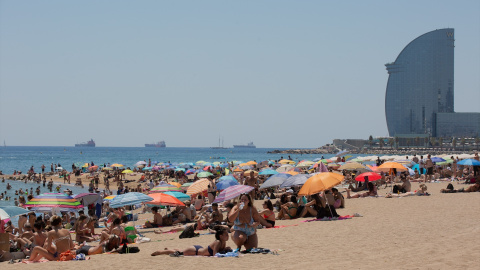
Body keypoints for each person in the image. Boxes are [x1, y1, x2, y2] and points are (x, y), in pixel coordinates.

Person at [151, 228, 231, 257]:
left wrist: (226, 249)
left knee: (182, 250)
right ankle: (160, 252)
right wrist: (225, 252)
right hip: (195, 251)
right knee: (179, 252)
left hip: (198, 249)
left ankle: (168, 248)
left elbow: (218, 251)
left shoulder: (223, 242)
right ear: (220, 236)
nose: (228, 236)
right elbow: (215, 254)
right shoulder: (218, 242)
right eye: (226, 235)